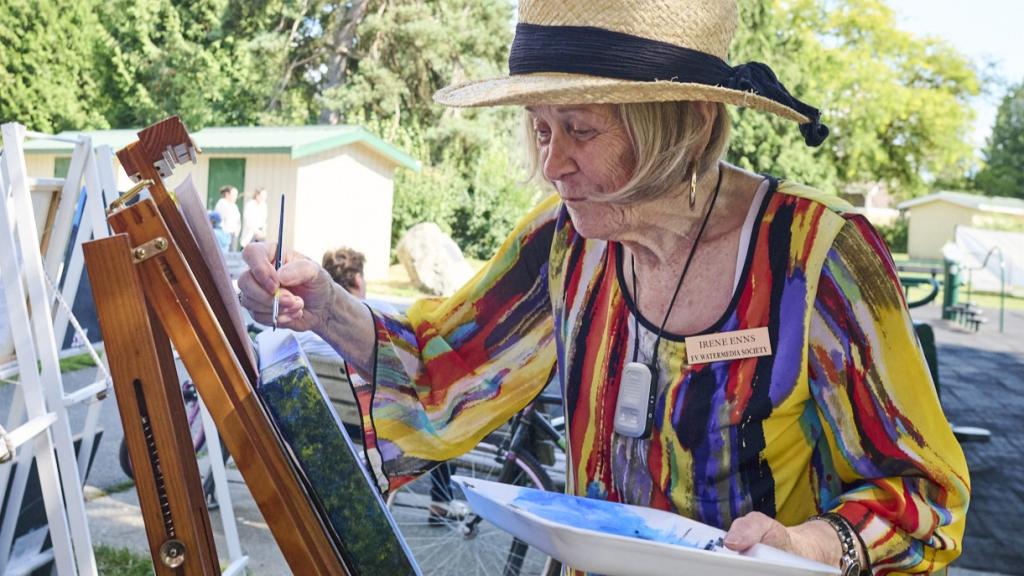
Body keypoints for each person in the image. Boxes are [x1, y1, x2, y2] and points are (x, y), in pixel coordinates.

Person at [239, 1, 969, 574]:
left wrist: (813, 545)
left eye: (580, 132)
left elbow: (925, 490)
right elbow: (447, 361)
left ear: (684, 124)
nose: (553, 164)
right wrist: (325, 307)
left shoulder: (817, 257)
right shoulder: (563, 241)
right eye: (540, 128)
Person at [214, 185, 241, 250]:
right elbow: (222, 219)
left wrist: (237, 231)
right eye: (234, 195)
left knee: (232, 255)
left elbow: (237, 220)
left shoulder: (234, 206)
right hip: (224, 234)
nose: (235, 197)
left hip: (233, 234)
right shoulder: (222, 203)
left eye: (236, 195)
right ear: (227, 194)